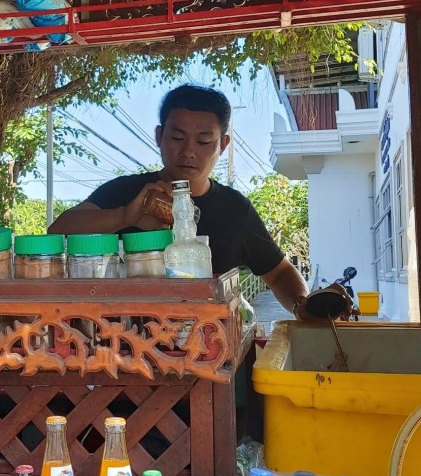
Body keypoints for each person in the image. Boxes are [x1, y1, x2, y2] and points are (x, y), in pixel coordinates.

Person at [49, 84, 312, 319]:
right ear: (159, 136)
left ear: (222, 145)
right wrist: (127, 215)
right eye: (177, 138)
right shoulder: (127, 192)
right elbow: (58, 230)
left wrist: (306, 308)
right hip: (126, 352)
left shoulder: (235, 209)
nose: (188, 152)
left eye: (203, 141)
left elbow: (280, 273)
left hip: (212, 357)